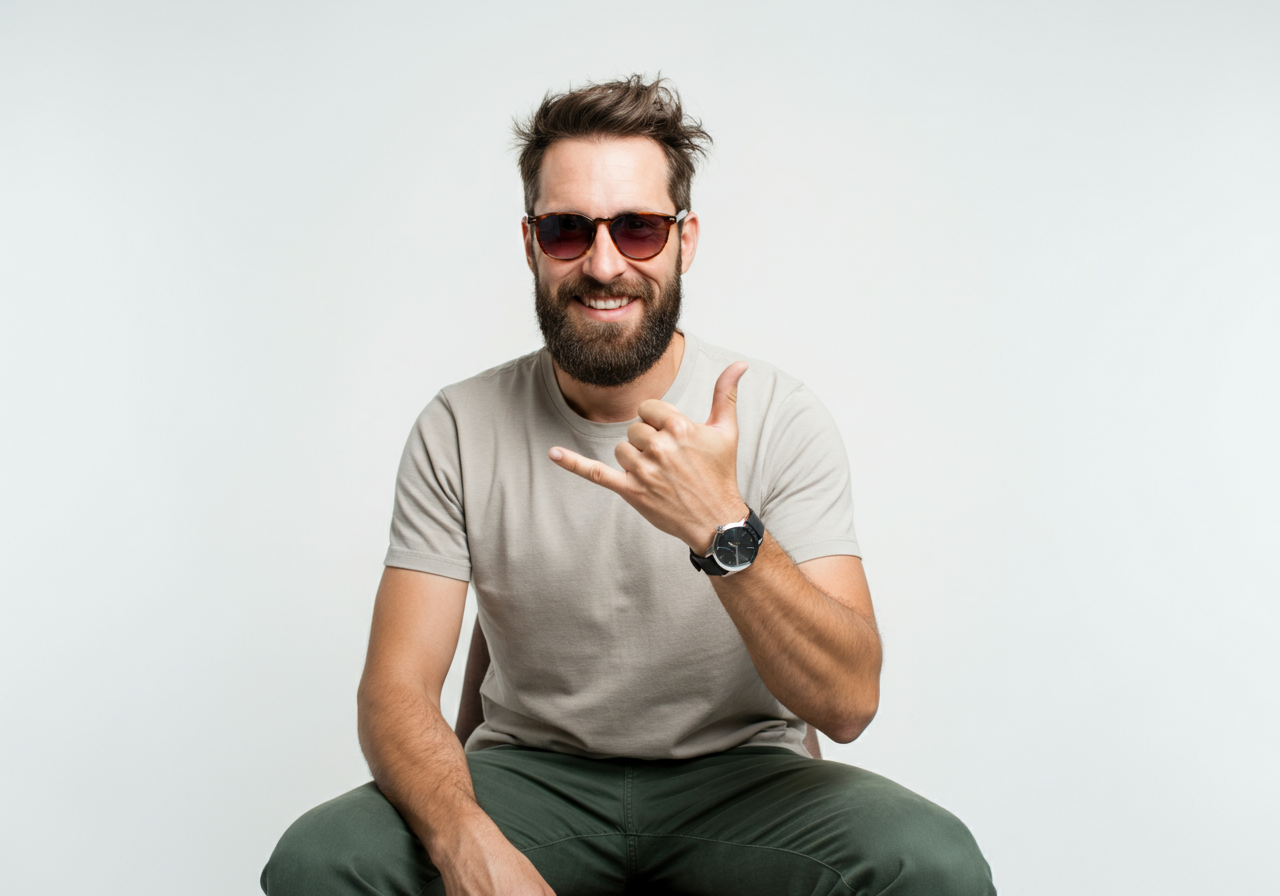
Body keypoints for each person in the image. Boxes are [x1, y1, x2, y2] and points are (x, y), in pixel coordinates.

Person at [262, 76, 995, 896]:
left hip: (742, 783)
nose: (605, 264)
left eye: (639, 229)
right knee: (320, 860)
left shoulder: (778, 416)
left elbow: (849, 702)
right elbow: (397, 690)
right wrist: (467, 843)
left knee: (931, 861)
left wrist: (721, 525)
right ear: (531, 243)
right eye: (568, 230)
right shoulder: (459, 425)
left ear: (686, 240)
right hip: (533, 780)